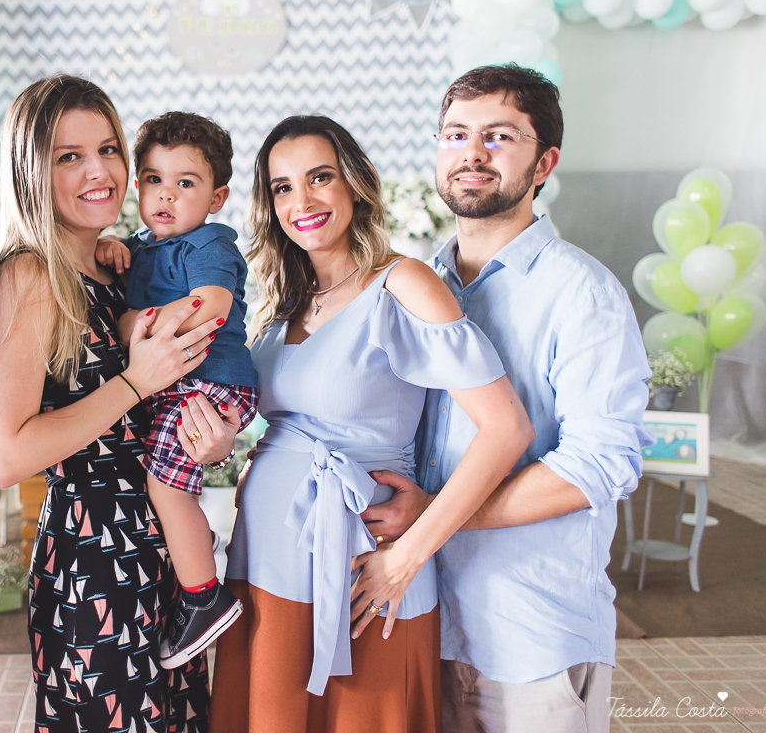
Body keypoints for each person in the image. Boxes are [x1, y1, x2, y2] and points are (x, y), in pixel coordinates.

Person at [210, 115, 534, 733]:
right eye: (281, 188)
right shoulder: (285, 306)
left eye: (319, 178)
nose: (301, 201)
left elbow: (506, 430)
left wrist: (411, 554)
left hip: (364, 570)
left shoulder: (402, 283)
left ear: (354, 185)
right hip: (268, 564)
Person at [361, 64, 653, 733]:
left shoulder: (582, 293)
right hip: (420, 620)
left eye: (499, 137)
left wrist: (436, 515)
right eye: (456, 134)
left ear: (544, 161)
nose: (471, 152)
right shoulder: (413, 283)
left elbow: (597, 467)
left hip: (530, 629)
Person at [0, 76, 240, 733]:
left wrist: (209, 444)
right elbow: (5, 456)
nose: (99, 172)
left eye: (108, 149)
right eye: (69, 156)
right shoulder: (32, 275)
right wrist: (132, 382)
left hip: (161, 556)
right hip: (96, 563)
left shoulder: (121, 267)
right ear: (31, 170)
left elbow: (158, 413)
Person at [94, 112, 258, 668]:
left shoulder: (208, 244)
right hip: (183, 384)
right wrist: (117, 251)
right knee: (167, 483)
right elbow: (126, 302)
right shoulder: (140, 247)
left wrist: (133, 323)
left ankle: (203, 597)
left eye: (185, 183)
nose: (166, 194)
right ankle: (196, 563)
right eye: (153, 179)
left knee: (166, 488)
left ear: (216, 198)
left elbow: (208, 307)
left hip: (213, 382)